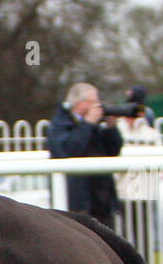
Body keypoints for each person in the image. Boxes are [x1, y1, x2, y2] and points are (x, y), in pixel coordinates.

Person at [46, 83, 124, 229]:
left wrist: (111, 128)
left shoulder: (95, 125)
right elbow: (68, 151)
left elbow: (113, 151)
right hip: (77, 202)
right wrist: (87, 124)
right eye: (93, 101)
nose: (97, 105)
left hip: (101, 199)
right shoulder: (60, 123)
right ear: (80, 103)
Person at [114, 103, 163, 262]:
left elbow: (159, 161)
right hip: (123, 192)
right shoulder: (118, 131)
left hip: (145, 192)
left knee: (144, 237)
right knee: (123, 236)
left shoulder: (151, 134)